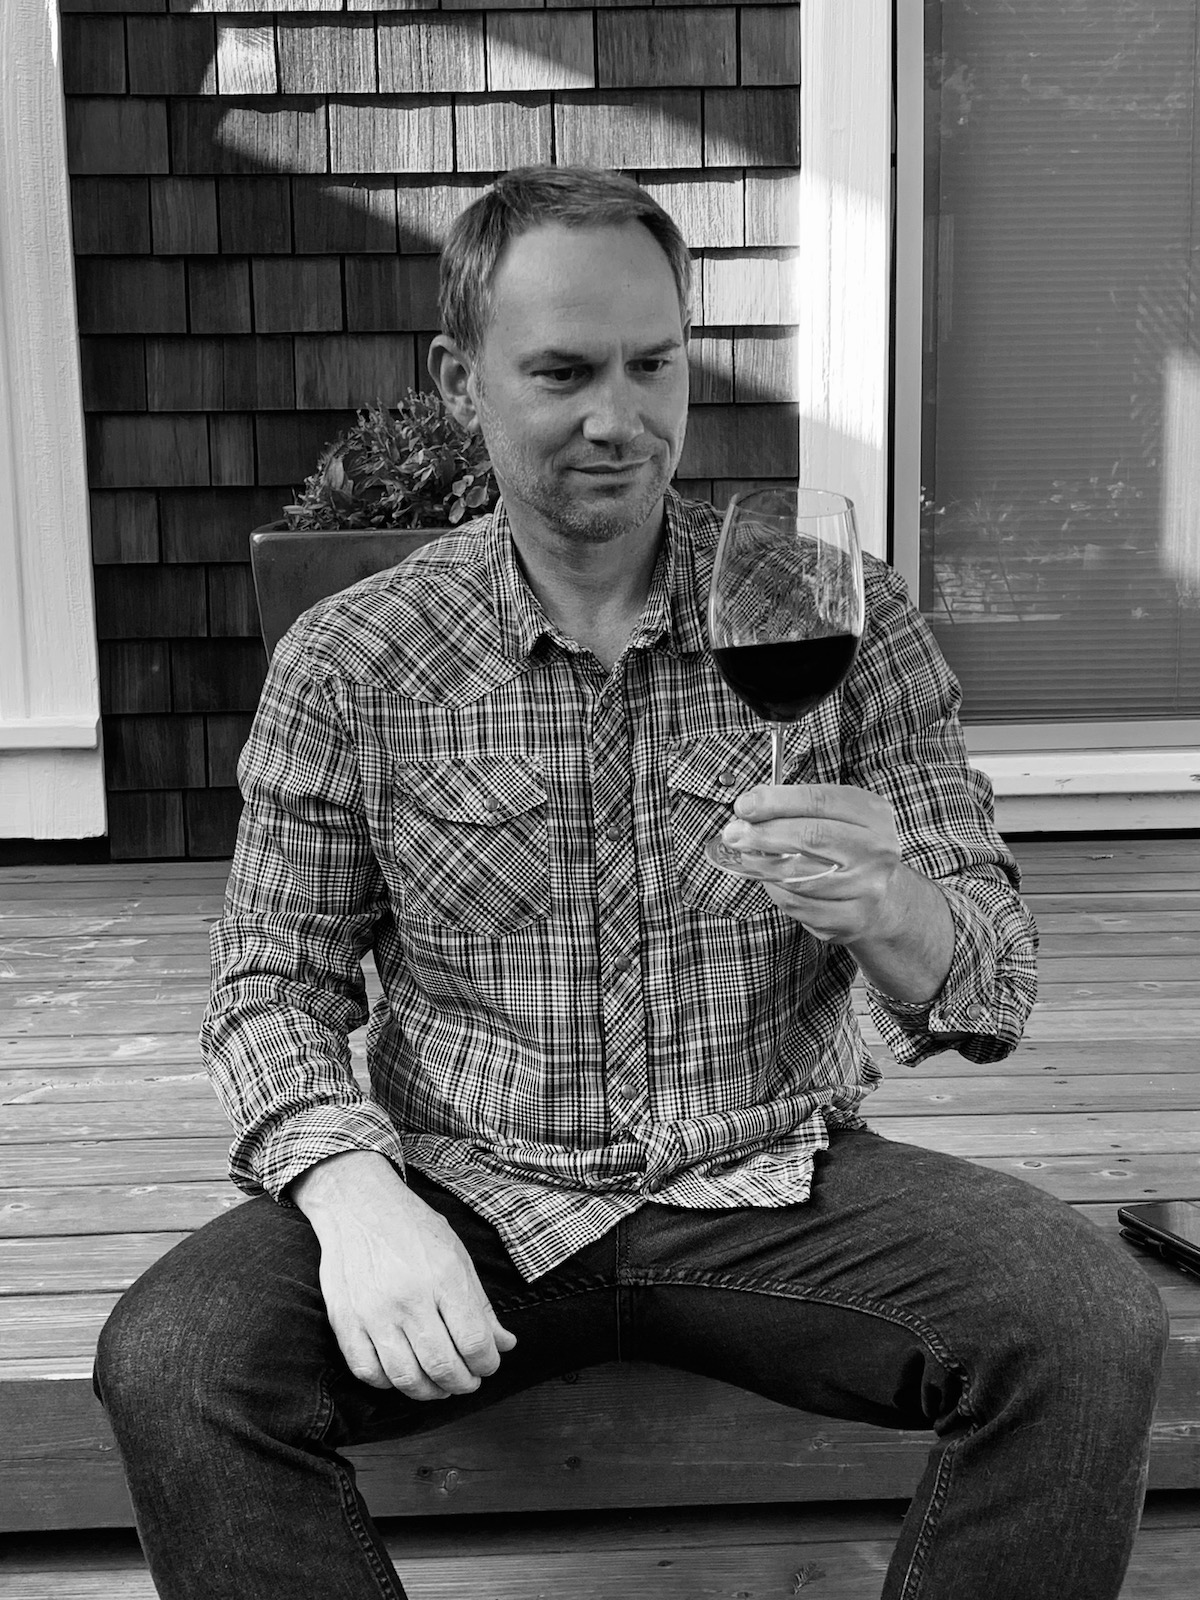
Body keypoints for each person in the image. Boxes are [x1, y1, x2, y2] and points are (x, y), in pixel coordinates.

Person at [94, 166, 1167, 1600]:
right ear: (457, 377)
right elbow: (267, 979)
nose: (620, 418)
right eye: (562, 372)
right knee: (175, 1361)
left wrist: (894, 907)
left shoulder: (833, 616)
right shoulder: (357, 657)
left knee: (1087, 1323)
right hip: (468, 1188)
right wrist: (352, 1192)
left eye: (653, 365)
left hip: (771, 1186)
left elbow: (995, 982)